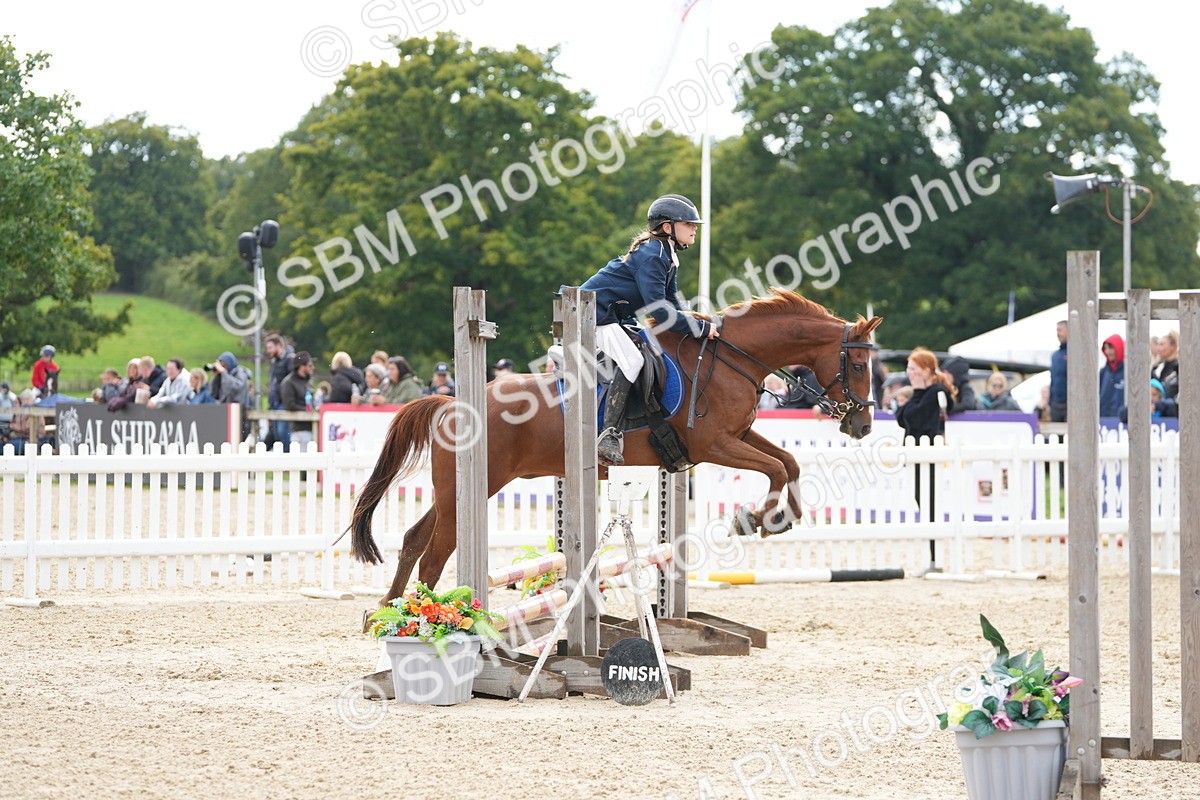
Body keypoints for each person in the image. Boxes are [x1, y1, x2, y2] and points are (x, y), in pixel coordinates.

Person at [578, 193, 718, 465]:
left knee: (651, 349)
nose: (694, 228)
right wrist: (699, 328)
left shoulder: (667, 253)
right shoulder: (653, 254)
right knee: (633, 361)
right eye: (688, 223)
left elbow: (673, 301)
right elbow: (659, 310)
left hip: (612, 317)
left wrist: (701, 322)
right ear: (668, 227)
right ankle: (608, 435)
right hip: (591, 315)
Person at [894, 347, 957, 572]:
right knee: (923, 503)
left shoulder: (936, 391)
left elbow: (915, 417)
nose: (909, 373)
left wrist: (916, 394)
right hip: (915, 454)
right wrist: (915, 395)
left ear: (926, 370)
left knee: (929, 505)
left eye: (913, 369)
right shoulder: (922, 392)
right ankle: (932, 558)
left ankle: (934, 559)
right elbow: (901, 419)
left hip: (929, 454)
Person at [264, 333, 295, 451]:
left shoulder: (289, 360)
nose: (268, 351)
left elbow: (291, 382)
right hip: (275, 403)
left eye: (270, 347)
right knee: (276, 434)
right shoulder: (274, 362)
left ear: (278, 346)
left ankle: (288, 463)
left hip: (284, 402)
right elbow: (273, 385)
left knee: (283, 433)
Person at [280, 351, 316, 450]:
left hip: (312, 427)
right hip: (299, 430)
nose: (312, 368)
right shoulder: (288, 383)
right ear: (301, 366)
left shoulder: (308, 381)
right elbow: (290, 405)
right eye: (309, 365)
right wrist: (307, 410)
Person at [1099, 333, 1126, 419]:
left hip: (1123, 423)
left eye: (1111, 348)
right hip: (1103, 422)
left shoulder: (1129, 372)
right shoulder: (1103, 372)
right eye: (1105, 348)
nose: (1107, 352)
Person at [1048, 320, 1068, 422]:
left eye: (1060, 330)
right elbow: (1052, 379)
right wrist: (1050, 401)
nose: (1058, 333)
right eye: (1057, 330)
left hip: (1070, 403)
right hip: (1056, 403)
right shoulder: (1055, 355)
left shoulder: (1074, 353)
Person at [1152, 330, 1179, 400]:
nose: (1158, 348)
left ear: (1173, 346)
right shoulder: (1158, 367)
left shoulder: (1178, 369)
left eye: (1162, 344)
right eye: (1157, 344)